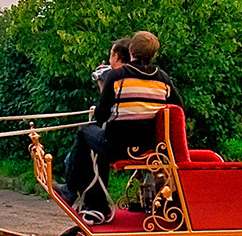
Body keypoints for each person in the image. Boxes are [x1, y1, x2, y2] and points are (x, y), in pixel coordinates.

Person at [61, 31, 182, 224]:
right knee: (96, 141)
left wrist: (105, 92)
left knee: (85, 132)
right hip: (149, 148)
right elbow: (178, 110)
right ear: (153, 55)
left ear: (131, 50)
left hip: (118, 146)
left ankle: (75, 192)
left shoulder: (118, 76)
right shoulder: (164, 80)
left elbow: (101, 116)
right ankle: (91, 203)